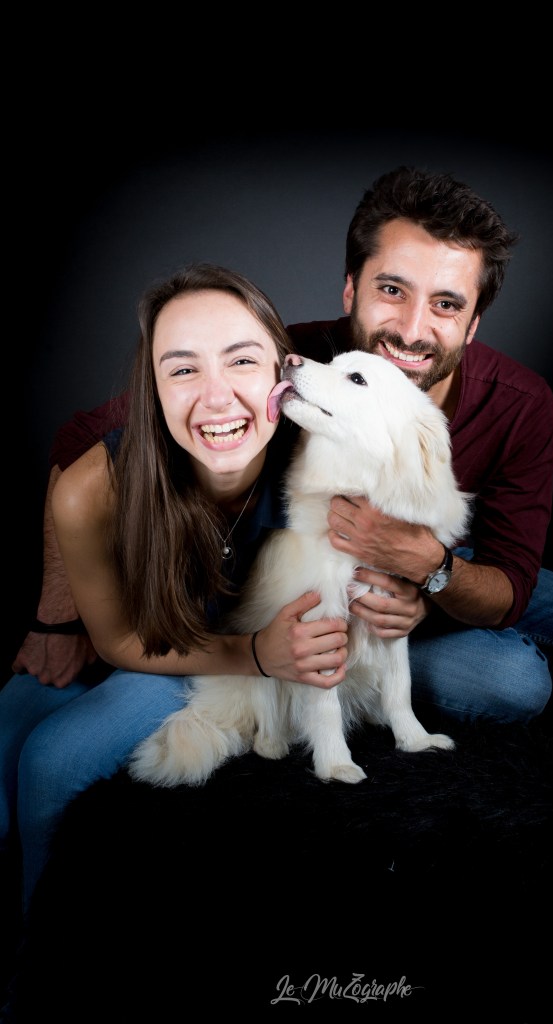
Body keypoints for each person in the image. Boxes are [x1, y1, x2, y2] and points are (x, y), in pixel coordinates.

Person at [6, 167, 553, 930]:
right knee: (501, 678)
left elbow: (511, 583)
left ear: (473, 323)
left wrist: (425, 569)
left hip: (444, 569)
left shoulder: (519, 406)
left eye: (446, 304)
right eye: (392, 290)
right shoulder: (287, 362)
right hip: (296, 577)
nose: (413, 329)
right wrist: (55, 613)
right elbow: (86, 444)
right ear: (351, 290)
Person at [0, 262, 351, 915]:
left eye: (242, 362)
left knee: (51, 759)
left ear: (283, 374)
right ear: (152, 389)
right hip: (149, 643)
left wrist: (261, 657)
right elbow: (117, 641)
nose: (215, 398)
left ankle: (34, 950)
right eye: (183, 369)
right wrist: (254, 653)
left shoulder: (326, 465)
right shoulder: (88, 488)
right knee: (5, 744)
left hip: (208, 664)